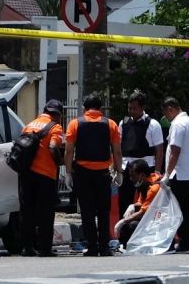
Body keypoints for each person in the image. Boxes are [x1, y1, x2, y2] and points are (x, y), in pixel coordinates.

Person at [64, 93, 123, 257]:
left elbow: (69, 151)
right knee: (104, 211)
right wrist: (119, 172)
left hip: (82, 174)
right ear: (100, 108)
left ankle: (92, 247)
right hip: (103, 174)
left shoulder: (75, 123)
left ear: (84, 108)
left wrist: (68, 172)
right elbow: (117, 151)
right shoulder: (111, 124)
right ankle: (104, 247)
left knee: (87, 211)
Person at [19, 99, 65, 257]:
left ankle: (27, 247)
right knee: (46, 213)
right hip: (45, 176)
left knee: (27, 212)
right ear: (58, 115)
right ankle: (45, 248)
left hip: (26, 174)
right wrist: (59, 161)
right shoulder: (55, 127)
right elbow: (52, 147)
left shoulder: (29, 125)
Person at [160, 97, 189, 254]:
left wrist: (167, 174)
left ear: (170, 109)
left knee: (175, 211)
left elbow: (175, 151)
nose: (166, 117)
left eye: (166, 113)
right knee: (186, 210)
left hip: (179, 174)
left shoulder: (177, 124)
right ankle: (186, 242)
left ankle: (177, 243)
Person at [117, 91, 164, 220]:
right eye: (129, 108)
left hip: (145, 169)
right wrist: (117, 169)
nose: (131, 111)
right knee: (124, 202)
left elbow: (159, 150)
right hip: (127, 168)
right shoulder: (123, 123)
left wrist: (157, 172)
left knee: (146, 202)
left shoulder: (153, 124)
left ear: (142, 107)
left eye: (134, 108)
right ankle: (123, 231)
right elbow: (118, 147)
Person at [113, 159, 162, 249]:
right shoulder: (145, 183)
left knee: (132, 224)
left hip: (160, 221)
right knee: (130, 219)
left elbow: (143, 212)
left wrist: (122, 222)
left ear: (142, 175)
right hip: (154, 217)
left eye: (133, 176)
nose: (131, 179)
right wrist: (132, 206)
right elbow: (141, 203)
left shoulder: (153, 188)